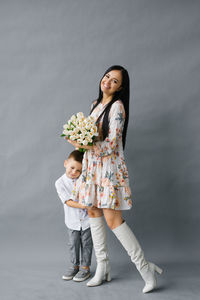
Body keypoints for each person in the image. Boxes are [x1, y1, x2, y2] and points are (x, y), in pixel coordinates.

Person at [66, 65, 163, 293]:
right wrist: (79, 142)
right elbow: (91, 135)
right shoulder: (94, 105)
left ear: (121, 88)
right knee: (92, 212)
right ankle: (103, 267)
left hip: (108, 170)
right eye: (107, 76)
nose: (108, 82)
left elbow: (110, 146)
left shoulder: (117, 107)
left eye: (115, 81)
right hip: (92, 169)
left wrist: (84, 144)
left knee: (114, 221)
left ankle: (145, 270)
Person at [55, 150, 93, 282]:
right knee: (73, 244)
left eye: (78, 170)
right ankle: (74, 266)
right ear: (66, 163)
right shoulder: (60, 183)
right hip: (72, 221)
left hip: (87, 221)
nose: (74, 172)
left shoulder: (83, 179)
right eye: (72, 168)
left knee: (87, 244)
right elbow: (68, 202)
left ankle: (85, 268)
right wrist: (84, 206)